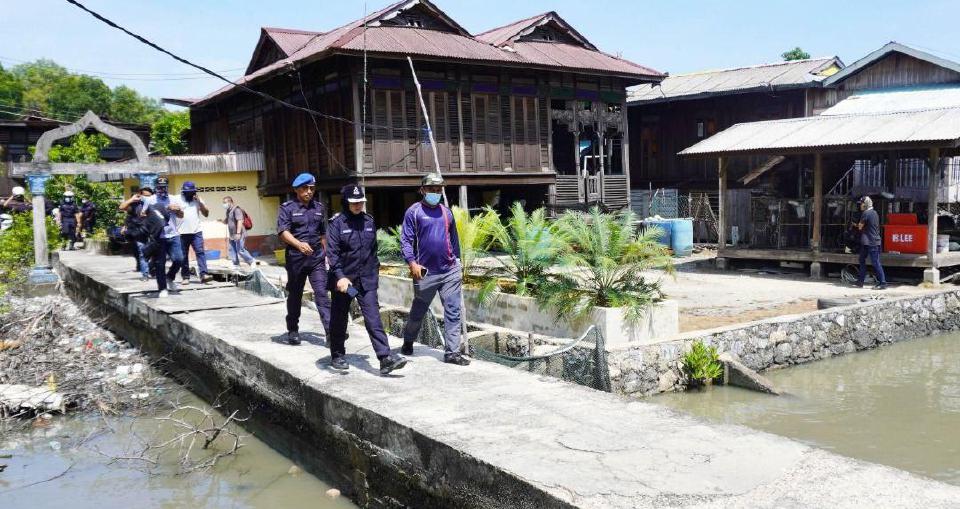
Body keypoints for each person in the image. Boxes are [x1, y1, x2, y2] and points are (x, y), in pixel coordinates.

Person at [326, 184, 407, 373]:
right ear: (346, 202)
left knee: (373, 318)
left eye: (360, 202)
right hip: (343, 281)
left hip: (366, 280)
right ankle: (337, 355)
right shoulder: (337, 224)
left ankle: (385, 358)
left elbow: (373, 252)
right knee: (339, 319)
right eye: (354, 202)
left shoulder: (369, 221)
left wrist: (374, 274)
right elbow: (332, 254)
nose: (357, 205)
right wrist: (340, 277)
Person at [399, 173, 470, 366]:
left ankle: (452, 353)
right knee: (419, 311)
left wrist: (457, 262)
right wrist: (412, 263)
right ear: (422, 190)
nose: (435, 193)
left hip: (449, 271)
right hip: (425, 273)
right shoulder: (413, 212)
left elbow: (453, 240)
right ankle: (408, 340)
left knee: (453, 311)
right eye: (432, 189)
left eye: (439, 190)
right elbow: (405, 240)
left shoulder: (446, 213)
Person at [277, 173, 331, 345]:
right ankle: (293, 329)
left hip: (316, 258)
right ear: (296, 190)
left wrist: (327, 254)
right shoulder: (287, 208)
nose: (309, 191)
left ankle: (331, 332)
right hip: (296, 259)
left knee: (322, 293)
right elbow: (283, 232)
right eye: (305, 188)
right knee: (295, 294)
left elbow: (323, 233)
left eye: (312, 188)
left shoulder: (319, 208)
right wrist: (298, 244)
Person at [121, 177, 185, 297]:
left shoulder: (174, 198)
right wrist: (163, 209)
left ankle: (170, 277)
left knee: (179, 259)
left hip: (173, 234)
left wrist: (177, 210)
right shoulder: (150, 199)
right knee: (160, 263)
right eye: (160, 187)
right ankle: (162, 289)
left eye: (164, 187)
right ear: (156, 187)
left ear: (167, 187)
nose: (162, 189)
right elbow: (142, 214)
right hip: (158, 236)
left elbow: (181, 215)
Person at [172, 181, 211, 284]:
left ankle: (204, 275)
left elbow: (206, 214)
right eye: (187, 192)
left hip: (196, 231)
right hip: (181, 233)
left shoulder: (198, 199)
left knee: (200, 252)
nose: (189, 194)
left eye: (191, 192)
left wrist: (200, 203)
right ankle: (185, 277)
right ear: (183, 192)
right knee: (183, 256)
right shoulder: (176, 199)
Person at [855, 195, 887, 290]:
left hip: (871, 242)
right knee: (862, 259)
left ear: (865, 204)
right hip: (869, 241)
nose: (860, 205)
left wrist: (856, 225)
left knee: (875, 262)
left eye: (861, 204)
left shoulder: (866, 213)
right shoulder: (874, 213)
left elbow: (860, 227)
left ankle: (883, 283)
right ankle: (860, 281)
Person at [219, 196, 258, 268]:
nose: (223, 204)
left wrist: (238, 233)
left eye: (225, 203)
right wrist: (221, 221)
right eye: (223, 203)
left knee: (240, 250)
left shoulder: (236, 209)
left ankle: (251, 261)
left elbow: (240, 221)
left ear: (230, 202)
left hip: (239, 233)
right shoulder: (228, 211)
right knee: (232, 249)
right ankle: (235, 264)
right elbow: (227, 220)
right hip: (232, 234)